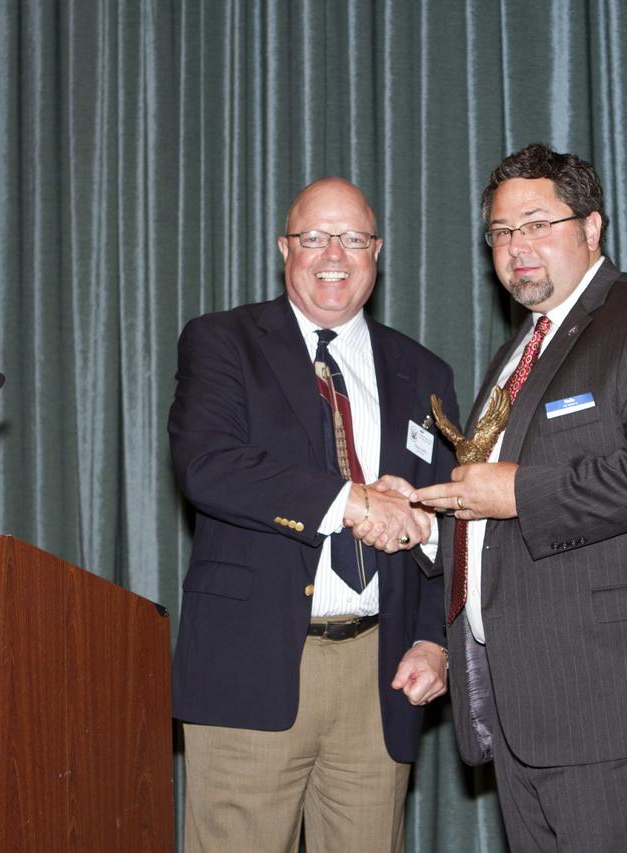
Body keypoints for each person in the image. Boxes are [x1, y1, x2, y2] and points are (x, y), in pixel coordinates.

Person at [410, 144, 627, 852]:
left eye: (537, 223)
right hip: (532, 719)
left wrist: (520, 490)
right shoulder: (515, 356)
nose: (516, 246)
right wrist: (427, 522)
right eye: (501, 232)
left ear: (592, 228)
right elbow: (495, 514)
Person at [169, 177, 458, 852]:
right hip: (252, 663)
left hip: (378, 675)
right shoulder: (223, 343)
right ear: (284, 248)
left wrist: (433, 637)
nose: (335, 252)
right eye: (314, 236)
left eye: (353, 237)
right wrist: (351, 500)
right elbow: (207, 466)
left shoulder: (425, 372)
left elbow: (450, 519)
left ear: (376, 251)